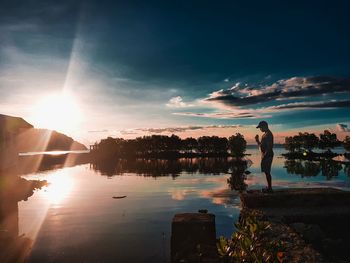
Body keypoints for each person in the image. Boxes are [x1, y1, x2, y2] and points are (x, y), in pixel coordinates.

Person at [255, 121, 274, 193]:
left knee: (267, 172)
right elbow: (261, 146)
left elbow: (269, 147)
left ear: (265, 126)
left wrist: (265, 156)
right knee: (266, 172)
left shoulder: (269, 134)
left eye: (260, 127)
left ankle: (270, 189)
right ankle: (269, 188)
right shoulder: (264, 135)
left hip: (268, 155)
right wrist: (257, 140)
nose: (260, 129)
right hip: (265, 156)